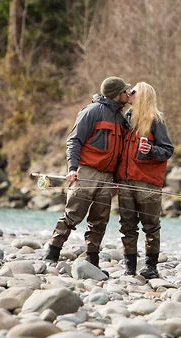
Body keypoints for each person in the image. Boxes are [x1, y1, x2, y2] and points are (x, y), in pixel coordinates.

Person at [44, 76, 132, 274]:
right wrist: (72, 168)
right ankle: (52, 252)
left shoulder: (120, 117)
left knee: (100, 219)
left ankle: (92, 260)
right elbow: (74, 141)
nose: (128, 93)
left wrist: (117, 179)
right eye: (125, 91)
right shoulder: (91, 111)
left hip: (108, 176)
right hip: (87, 172)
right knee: (73, 215)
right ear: (116, 94)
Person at [117, 82, 174, 278]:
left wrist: (151, 150)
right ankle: (129, 268)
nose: (128, 94)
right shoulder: (127, 118)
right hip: (125, 181)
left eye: (132, 92)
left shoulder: (156, 121)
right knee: (127, 226)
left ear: (141, 97)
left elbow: (167, 150)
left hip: (147, 183)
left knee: (151, 226)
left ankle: (151, 267)